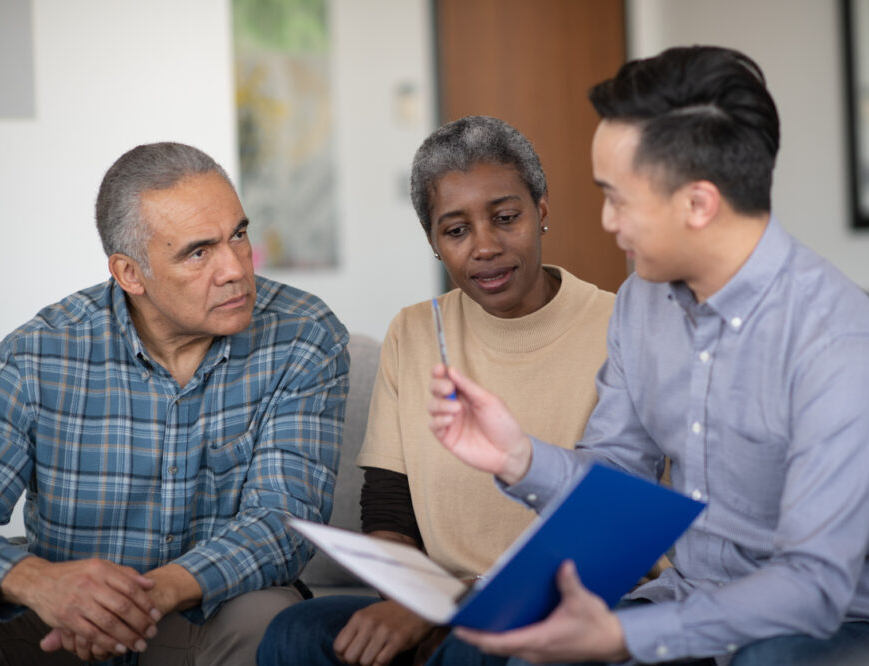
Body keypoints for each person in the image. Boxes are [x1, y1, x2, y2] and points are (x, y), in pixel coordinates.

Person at [424, 47, 869, 666]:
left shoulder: (834, 338)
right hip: (691, 596)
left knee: (765, 660)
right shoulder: (641, 303)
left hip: (846, 622)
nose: (606, 221)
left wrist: (624, 638)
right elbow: (622, 473)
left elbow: (813, 588)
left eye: (619, 198)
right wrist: (519, 457)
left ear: (698, 204)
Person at [256, 116, 616, 666]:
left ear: (541, 211)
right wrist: (414, 599)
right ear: (433, 242)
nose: (485, 247)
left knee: (473, 648)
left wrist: (457, 601)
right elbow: (387, 509)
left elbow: (611, 524)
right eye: (456, 230)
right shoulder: (415, 331)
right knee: (296, 633)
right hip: (436, 600)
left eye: (505, 218)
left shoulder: (619, 327)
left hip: (569, 597)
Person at [0, 142, 349, 666]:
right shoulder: (37, 355)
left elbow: (284, 523)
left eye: (239, 235)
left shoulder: (303, 334)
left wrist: (142, 598)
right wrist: (37, 582)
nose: (235, 270)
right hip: (56, 625)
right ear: (130, 274)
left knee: (271, 618)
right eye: (199, 252)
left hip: (205, 617)